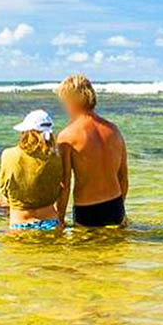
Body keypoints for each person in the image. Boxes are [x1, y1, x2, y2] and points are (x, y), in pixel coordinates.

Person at [56, 74, 128, 227]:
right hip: (115, 205)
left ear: (72, 100)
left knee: (87, 250)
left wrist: (60, 218)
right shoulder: (114, 130)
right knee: (116, 250)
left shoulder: (67, 136)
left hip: (87, 209)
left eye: (64, 102)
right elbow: (123, 176)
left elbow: (65, 184)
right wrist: (120, 208)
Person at [0, 110, 64, 232]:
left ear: (26, 132)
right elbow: (61, 188)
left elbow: (3, 188)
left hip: (20, 222)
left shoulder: (9, 155)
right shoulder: (57, 158)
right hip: (51, 221)